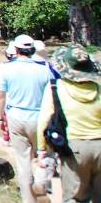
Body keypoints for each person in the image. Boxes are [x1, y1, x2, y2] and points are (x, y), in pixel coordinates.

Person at [36, 44, 101, 203]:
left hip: (74, 149)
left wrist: (42, 150)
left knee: (75, 197)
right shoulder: (99, 88)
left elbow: (44, 120)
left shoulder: (56, 87)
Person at [0, 34, 53, 203]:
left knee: (23, 161)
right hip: (41, 118)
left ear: (16, 50)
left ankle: (29, 199)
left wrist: (0, 118)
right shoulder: (44, 69)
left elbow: (1, 97)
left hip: (16, 117)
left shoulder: (6, 68)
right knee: (43, 156)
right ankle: (45, 192)